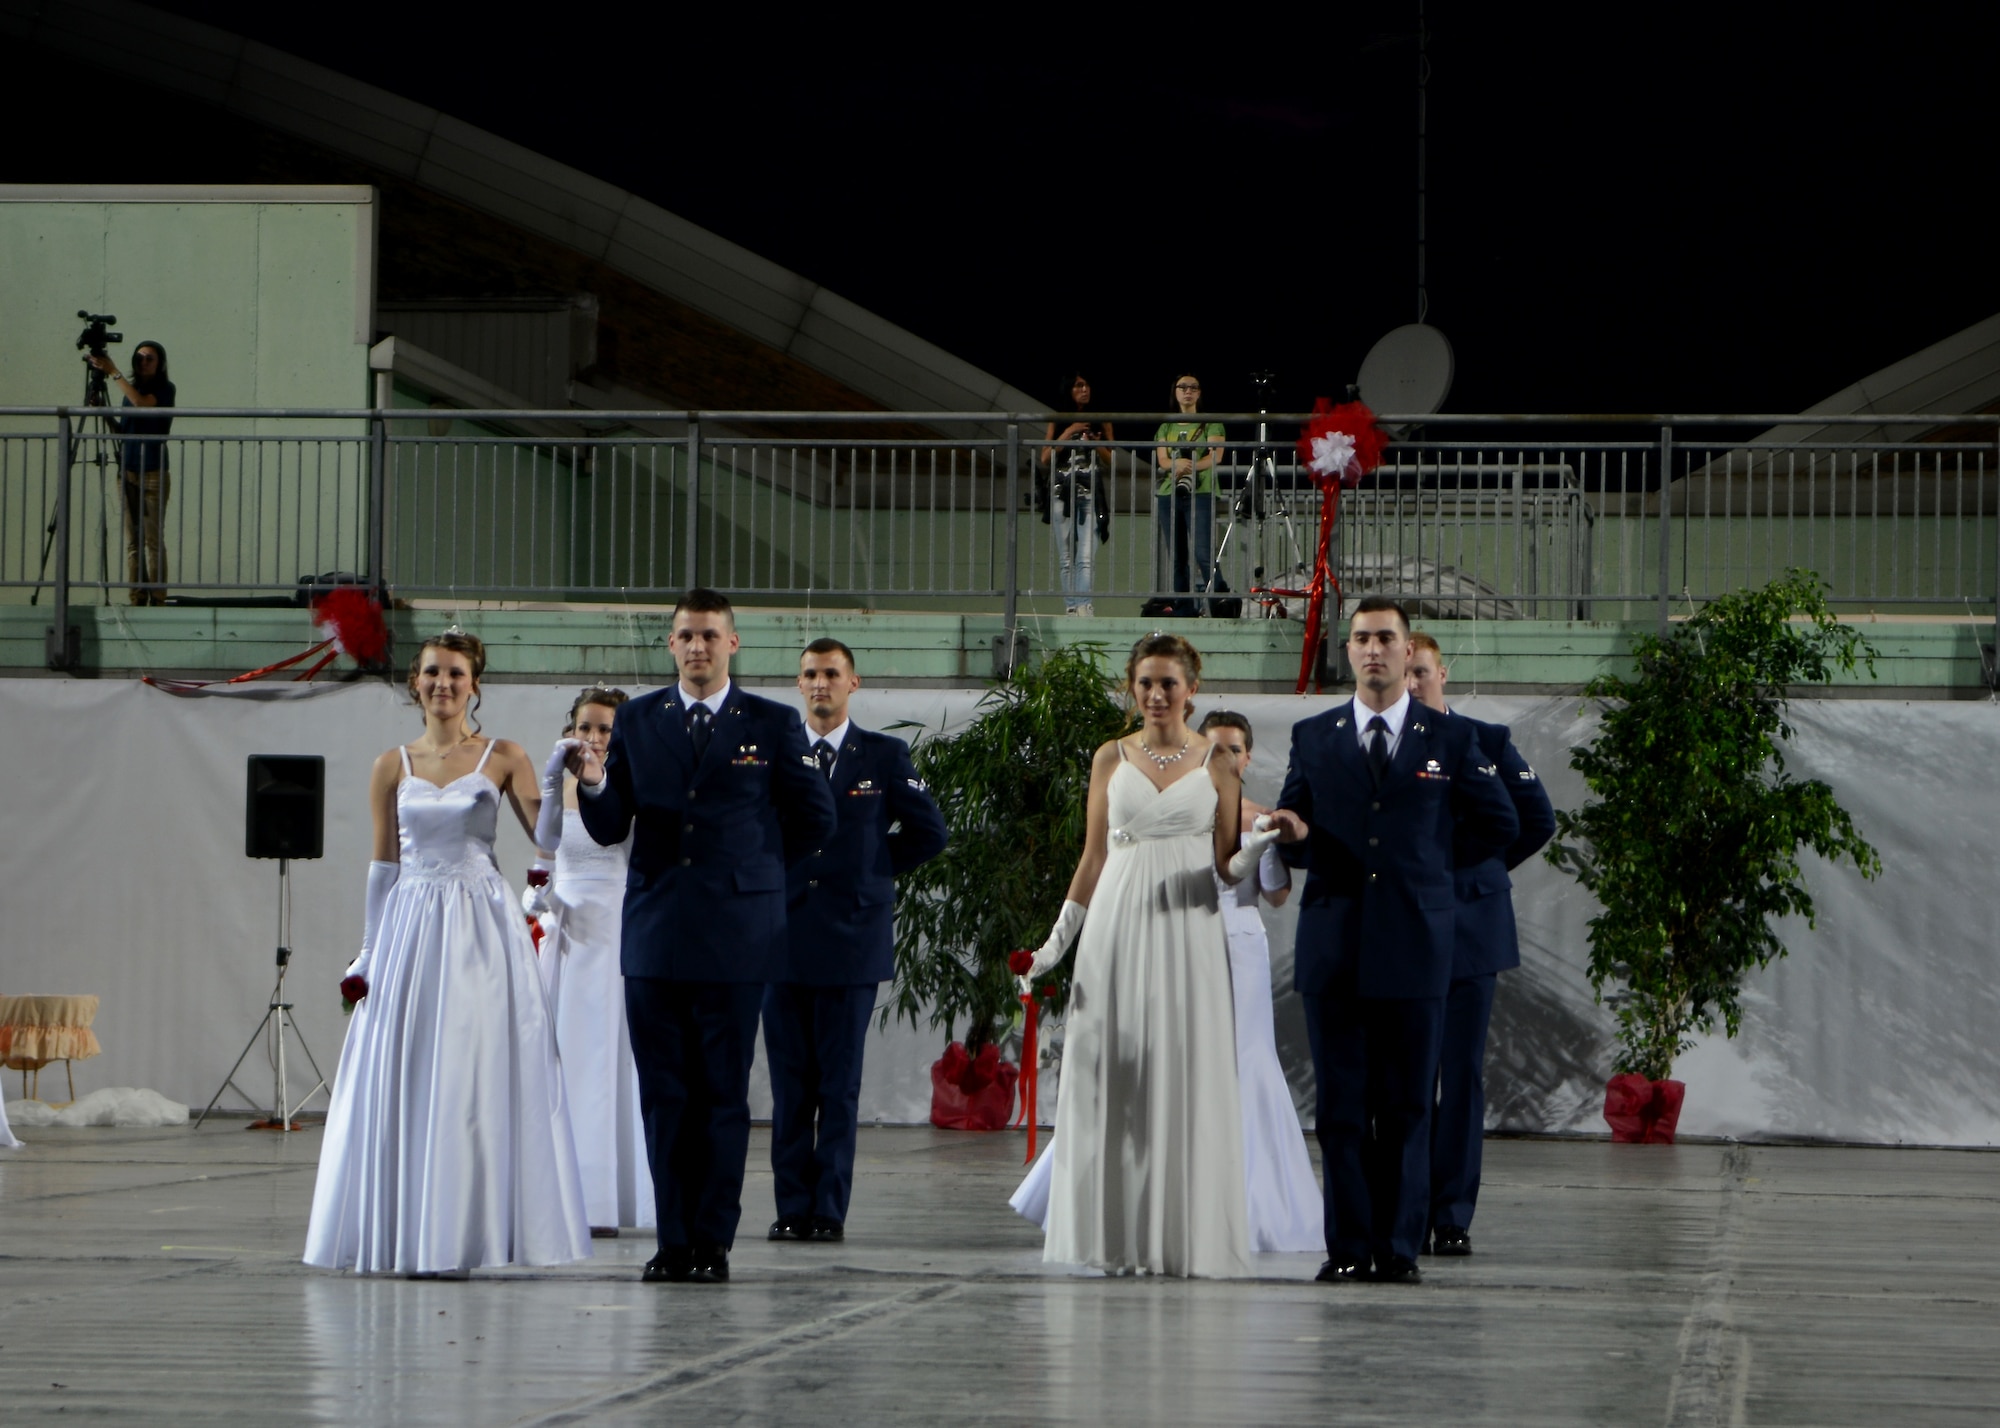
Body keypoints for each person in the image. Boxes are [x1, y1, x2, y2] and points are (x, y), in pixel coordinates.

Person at [304, 629, 591, 1276]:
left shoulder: (502, 755)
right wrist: (369, 952)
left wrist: (552, 776)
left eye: (456, 674)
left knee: (472, 1064)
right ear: (415, 683)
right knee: (410, 1063)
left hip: (480, 923)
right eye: (433, 672)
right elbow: (383, 866)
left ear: (474, 684)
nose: (443, 684)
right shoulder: (391, 765)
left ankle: (468, 1226)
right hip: (411, 922)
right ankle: (411, 1224)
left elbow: (547, 839)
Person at [572, 589, 837, 1286]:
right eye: (686, 635)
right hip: (656, 933)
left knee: (721, 1094)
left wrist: (755, 875)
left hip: (738, 937)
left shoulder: (773, 722)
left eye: (710, 635)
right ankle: (673, 1239)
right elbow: (608, 827)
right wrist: (596, 785)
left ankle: (712, 1241)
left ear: (733, 644)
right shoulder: (636, 718)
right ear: (670, 644)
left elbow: (817, 820)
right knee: (664, 1096)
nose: (698, 647)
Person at [1268, 597, 1518, 1285]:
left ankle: (1401, 1248)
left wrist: (1430, 868)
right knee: (1342, 1110)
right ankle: (1348, 1247)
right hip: (1335, 945)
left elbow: (1500, 824)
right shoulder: (1315, 736)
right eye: (1360, 639)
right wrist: (1295, 836)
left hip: (1417, 946)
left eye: (1386, 638)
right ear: (1346, 653)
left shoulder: (1451, 740)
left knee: (1409, 1107)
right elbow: (1300, 832)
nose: (1373, 649)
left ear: (1410, 654)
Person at [1008, 707, 1322, 1254]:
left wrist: (1263, 840)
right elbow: (1095, 854)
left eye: (1236, 747)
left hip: (1219, 937)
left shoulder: (1240, 796)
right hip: (1141, 923)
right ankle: (1114, 1213)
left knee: (1227, 1066)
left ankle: (1219, 1208)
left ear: (1246, 755)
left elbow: (1255, 882)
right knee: (1125, 1062)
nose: (1157, 695)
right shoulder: (1125, 760)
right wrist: (1053, 946)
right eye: (1146, 683)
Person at [765, 638, 948, 1244]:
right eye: (811, 674)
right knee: (791, 1086)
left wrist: (871, 868)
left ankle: (827, 1211)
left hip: (850, 938)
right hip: (782, 938)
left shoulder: (884, 755)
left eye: (832, 674)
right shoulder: (775, 753)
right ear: (799, 684)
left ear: (853, 683)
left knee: (838, 1087)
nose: (821, 684)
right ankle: (791, 1205)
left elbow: (929, 833)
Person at [1406, 633, 1555, 1257]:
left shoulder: (1485, 741)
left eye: (1422, 673)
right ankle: (1407, 1207)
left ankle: (1452, 1213)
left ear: (1444, 673)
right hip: (1408, 928)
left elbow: (1534, 821)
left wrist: (1477, 875)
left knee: (1460, 1074)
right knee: (1407, 1077)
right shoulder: (1386, 748)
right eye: (1405, 675)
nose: (1413, 685)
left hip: (1470, 927)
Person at [524, 684, 656, 1239]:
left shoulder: (636, 785)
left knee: (616, 1063)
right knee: (565, 1060)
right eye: (586, 727)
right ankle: (563, 1191)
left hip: (620, 930)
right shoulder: (554, 785)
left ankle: (613, 1196)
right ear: (571, 730)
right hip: (568, 936)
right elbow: (543, 859)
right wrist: (538, 902)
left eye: (605, 728)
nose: (594, 738)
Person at [87, 342, 175, 606]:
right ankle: (136, 597)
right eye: (140, 358)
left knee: (153, 538)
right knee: (133, 540)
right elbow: (124, 430)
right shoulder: (130, 391)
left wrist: (113, 371)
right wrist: (103, 412)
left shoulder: (164, 389)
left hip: (153, 471)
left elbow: (141, 404)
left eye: (149, 358)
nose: (144, 362)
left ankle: (157, 598)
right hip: (128, 470)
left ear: (159, 363)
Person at [1040, 373, 1114, 617]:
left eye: (1087, 385)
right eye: (1078, 386)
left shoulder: (1101, 419)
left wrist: (1095, 443)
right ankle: (1071, 606)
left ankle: (1085, 604)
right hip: (1062, 492)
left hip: (1090, 492)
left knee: (1086, 554)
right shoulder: (1058, 419)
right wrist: (1069, 430)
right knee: (1066, 557)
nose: (1085, 390)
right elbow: (1045, 457)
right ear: (1069, 390)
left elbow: (1111, 459)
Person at [1152, 375, 1225, 617]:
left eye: (1193, 387)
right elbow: (1162, 460)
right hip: (1169, 493)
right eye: (1182, 387)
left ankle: (1219, 603)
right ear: (1174, 392)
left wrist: (1188, 465)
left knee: (1203, 552)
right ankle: (1184, 608)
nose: (1188, 391)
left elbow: (1216, 456)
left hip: (1201, 492)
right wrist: (1175, 464)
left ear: (1200, 393)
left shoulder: (1211, 424)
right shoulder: (1166, 426)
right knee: (1178, 555)